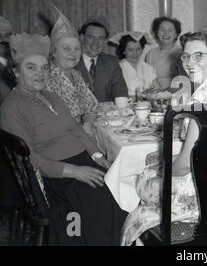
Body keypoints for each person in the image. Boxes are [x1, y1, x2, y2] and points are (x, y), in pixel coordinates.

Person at [121, 25, 207, 246]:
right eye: (186, 56)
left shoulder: (204, 96)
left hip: (200, 201)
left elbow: (186, 165)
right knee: (154, 164)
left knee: (140, 179)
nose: (189, 62)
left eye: (199, 56)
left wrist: (162, 169)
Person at [0, 33, 127, 245]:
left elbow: (77, 130)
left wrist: (97, 156)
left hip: (82, 161)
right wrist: (75, 172)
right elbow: (30, 159)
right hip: (56, 175)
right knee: (101, 200)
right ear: (16, 72)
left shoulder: (52, 97)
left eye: (44, 67)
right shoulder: (12, 108)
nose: (40, 73)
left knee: (121, 186)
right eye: (31, 67)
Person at [46, 6, 98, 123]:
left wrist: (88, 124)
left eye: (77, 48)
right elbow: (54, 119)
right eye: (66, 48)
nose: (73, 53)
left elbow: (92, 107)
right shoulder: (47, 78)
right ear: (54, 52)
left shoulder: (76, 75)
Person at [76, 19, 128, 102]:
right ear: (82, 38)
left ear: (105, 41)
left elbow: (121, 94)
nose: (95, 43)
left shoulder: (112, 63)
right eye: (90, 37)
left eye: (100, 38)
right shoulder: (71, 62)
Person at [110, 32, 159, 97]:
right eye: (130, 50)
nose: (134, 54)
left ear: (142, 49)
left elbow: (158, 90)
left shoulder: (149, 68)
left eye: (138, 49)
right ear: (124, 50)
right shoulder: (118, 68)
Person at [144, 16, 182, 90]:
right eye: (162, 30)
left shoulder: (180, 53)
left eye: (170, 30)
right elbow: (147, 78)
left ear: (176, 34)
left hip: (175, 95)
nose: (166, 33)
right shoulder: (150, 54)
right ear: (157, 33)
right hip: (154, 95)